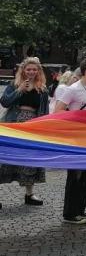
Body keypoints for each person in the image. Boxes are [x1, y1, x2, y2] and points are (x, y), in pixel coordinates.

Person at [54, 58, 86, 224]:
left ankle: (80, 209)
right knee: (75, 174)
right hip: (76, 137)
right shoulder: (72, 89)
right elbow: (58, 111)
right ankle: (70, 213)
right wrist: (76, 122)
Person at [0, 57, 49, 207]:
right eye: (28, 69)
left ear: (38, 71)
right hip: (14, 124)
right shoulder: (13, 84)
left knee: (29, 159)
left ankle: (29, 194)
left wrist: (44, 128)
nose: (31, 72)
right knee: (5, 159)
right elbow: (5, 101)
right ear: (23, 70)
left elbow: (45, 111)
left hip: (33, 125)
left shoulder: (42, 88)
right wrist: (19, 90)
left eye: (34, 69)